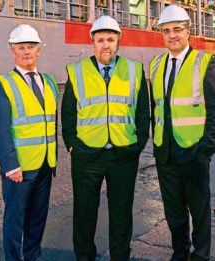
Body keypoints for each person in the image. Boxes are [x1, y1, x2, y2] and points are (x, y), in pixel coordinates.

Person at [61, 16, 150, 261]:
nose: (106, 45)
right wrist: (72, 145)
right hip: (87, 156)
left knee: (121, 214)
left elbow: (144, 112)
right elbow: (68, 113)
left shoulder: (134, 69)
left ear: (118, 41)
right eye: (100, 40)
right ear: (92, 43)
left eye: (110, 39)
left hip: (123, 155)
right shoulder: (77, 71)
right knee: (84, 214)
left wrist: (137, 144)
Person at [149, 5, 215, 261]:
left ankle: (201, 255)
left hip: (194, 152)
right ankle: (179, 252)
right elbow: (156, 107)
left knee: (199, 210)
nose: (172, 35)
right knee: (173, 210)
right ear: (161, 33)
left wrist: (206, 150)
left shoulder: (205, 62)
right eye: (167, 30)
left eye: (177, 30)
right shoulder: (156, 64)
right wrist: (157, 143)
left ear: (188, 31)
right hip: (165, 152)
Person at [0, 24, 59, 261]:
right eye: (21, 47)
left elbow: (50, 121)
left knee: (37, 219)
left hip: (45, 165)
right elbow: (0, 129)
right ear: (12, 51)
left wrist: (53, 159)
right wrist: (11, 166)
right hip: (19, 168)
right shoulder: (3, 83)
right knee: (14, 220)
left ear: (38, 50)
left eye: (31, 47)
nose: (26, 52)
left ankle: (33, 257)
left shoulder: (49, 82)